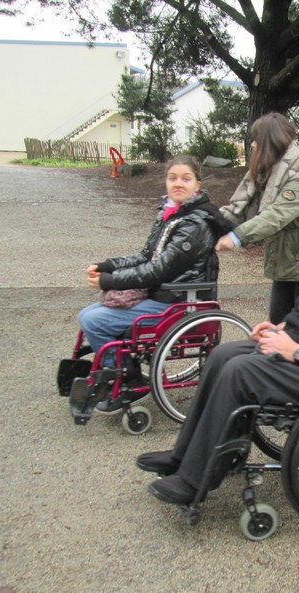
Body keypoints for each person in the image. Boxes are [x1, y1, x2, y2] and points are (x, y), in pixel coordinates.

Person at [136, 192, 299, 505]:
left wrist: (294, 351)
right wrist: (281, 328)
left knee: (240, 371)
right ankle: (184, 454)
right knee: (222, 356)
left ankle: (195, 479)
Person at [79, 155, 232, 414]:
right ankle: (121, 371)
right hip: (163, 297)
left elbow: (157, 270)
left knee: (94, 321)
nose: (178, 183)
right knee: (89, 315)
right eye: (173, 178)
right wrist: (109, 265)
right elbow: (146, 256)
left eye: (186, 178)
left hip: (180, 304)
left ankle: (129, 378)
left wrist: (110, 281)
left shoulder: (195, 224)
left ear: (198, 184)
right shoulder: (170, 214)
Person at [216, 112, 299, 323]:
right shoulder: (269, 172)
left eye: (256, 139)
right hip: (287, 258)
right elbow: (241, 207)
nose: (253, 144)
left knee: (298, 327)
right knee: (278, 323)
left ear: (268, 141)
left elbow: (275, 216)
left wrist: (236, 237)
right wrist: (213, 223)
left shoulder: (298, 175)